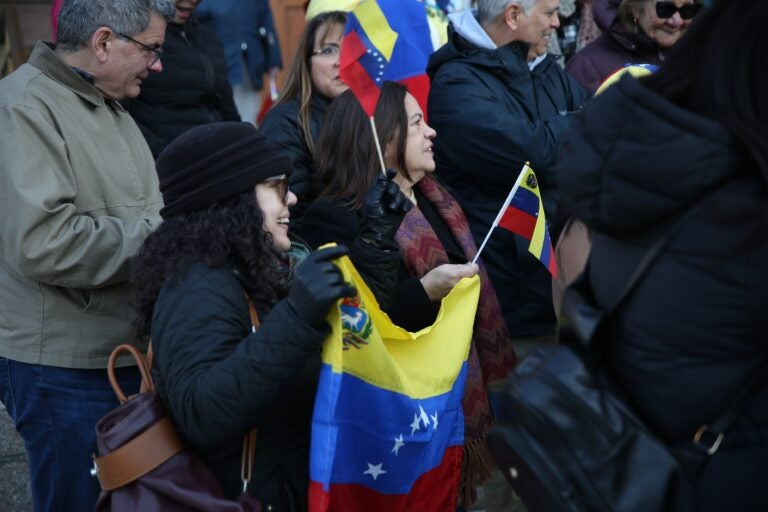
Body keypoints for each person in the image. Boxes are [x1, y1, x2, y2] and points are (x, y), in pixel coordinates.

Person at [131, 121, 409, 510]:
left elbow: (352, 338)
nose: (292, 199)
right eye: (277, 186)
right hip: (247, 497)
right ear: (233, 199)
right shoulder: (196, 285)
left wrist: (377, 238)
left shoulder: (265, 266)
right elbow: (203, 414)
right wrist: (297, 316)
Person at [556, 0, 768, 508]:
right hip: (705, 476)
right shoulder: (741, 213)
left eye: (689, 8)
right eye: (666, 5)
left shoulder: (651, 166)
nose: (676, 17)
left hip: (639, 467)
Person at [298, 82, 517, 509]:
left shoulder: (440, 198)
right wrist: (424, 292)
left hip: (463, 399)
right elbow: (356, 329)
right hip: (403, 421)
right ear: (384, 136)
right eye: (417, 123)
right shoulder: (334, 218)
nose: (431, 131)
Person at [0, 0, 174, 510]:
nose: (158, 64)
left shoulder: (107, 101)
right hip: (61, 366)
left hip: (118, 353)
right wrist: (168, 238)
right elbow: (46, 242)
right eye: (151, 50)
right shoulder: (23, 107)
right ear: (102, 43)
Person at [427, 0, 590, 352]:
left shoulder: (545, 70)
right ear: (513, 16)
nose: (556, 24)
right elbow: (537, 152)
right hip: (514, 308)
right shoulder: (455, 85)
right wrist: (585, 121)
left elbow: (596, 142)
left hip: (570, 292)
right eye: (548, 13)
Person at [260, 10, 347, 228]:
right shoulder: (285, 123)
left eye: (353, 48)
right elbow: (291, 217)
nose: (342, 61)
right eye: (329, 50)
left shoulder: (375, 116)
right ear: (307, 62)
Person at [125, 0, 240, 158]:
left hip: (217, 160)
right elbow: (121, 114)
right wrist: (167, 159)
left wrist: (241, 145)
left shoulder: (209, 38)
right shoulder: (134, 39)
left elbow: (227, 107)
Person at [565, 0, 702, 92]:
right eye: (665, 9)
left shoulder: (697, 59)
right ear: (635, 8)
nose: (677, 21)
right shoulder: (587, 67)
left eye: (687, 10)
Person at [196, 0, 282, 125]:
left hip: (248, 64)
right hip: (213, 67)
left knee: (247, 114)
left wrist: (273, 60)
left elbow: (267, 24)